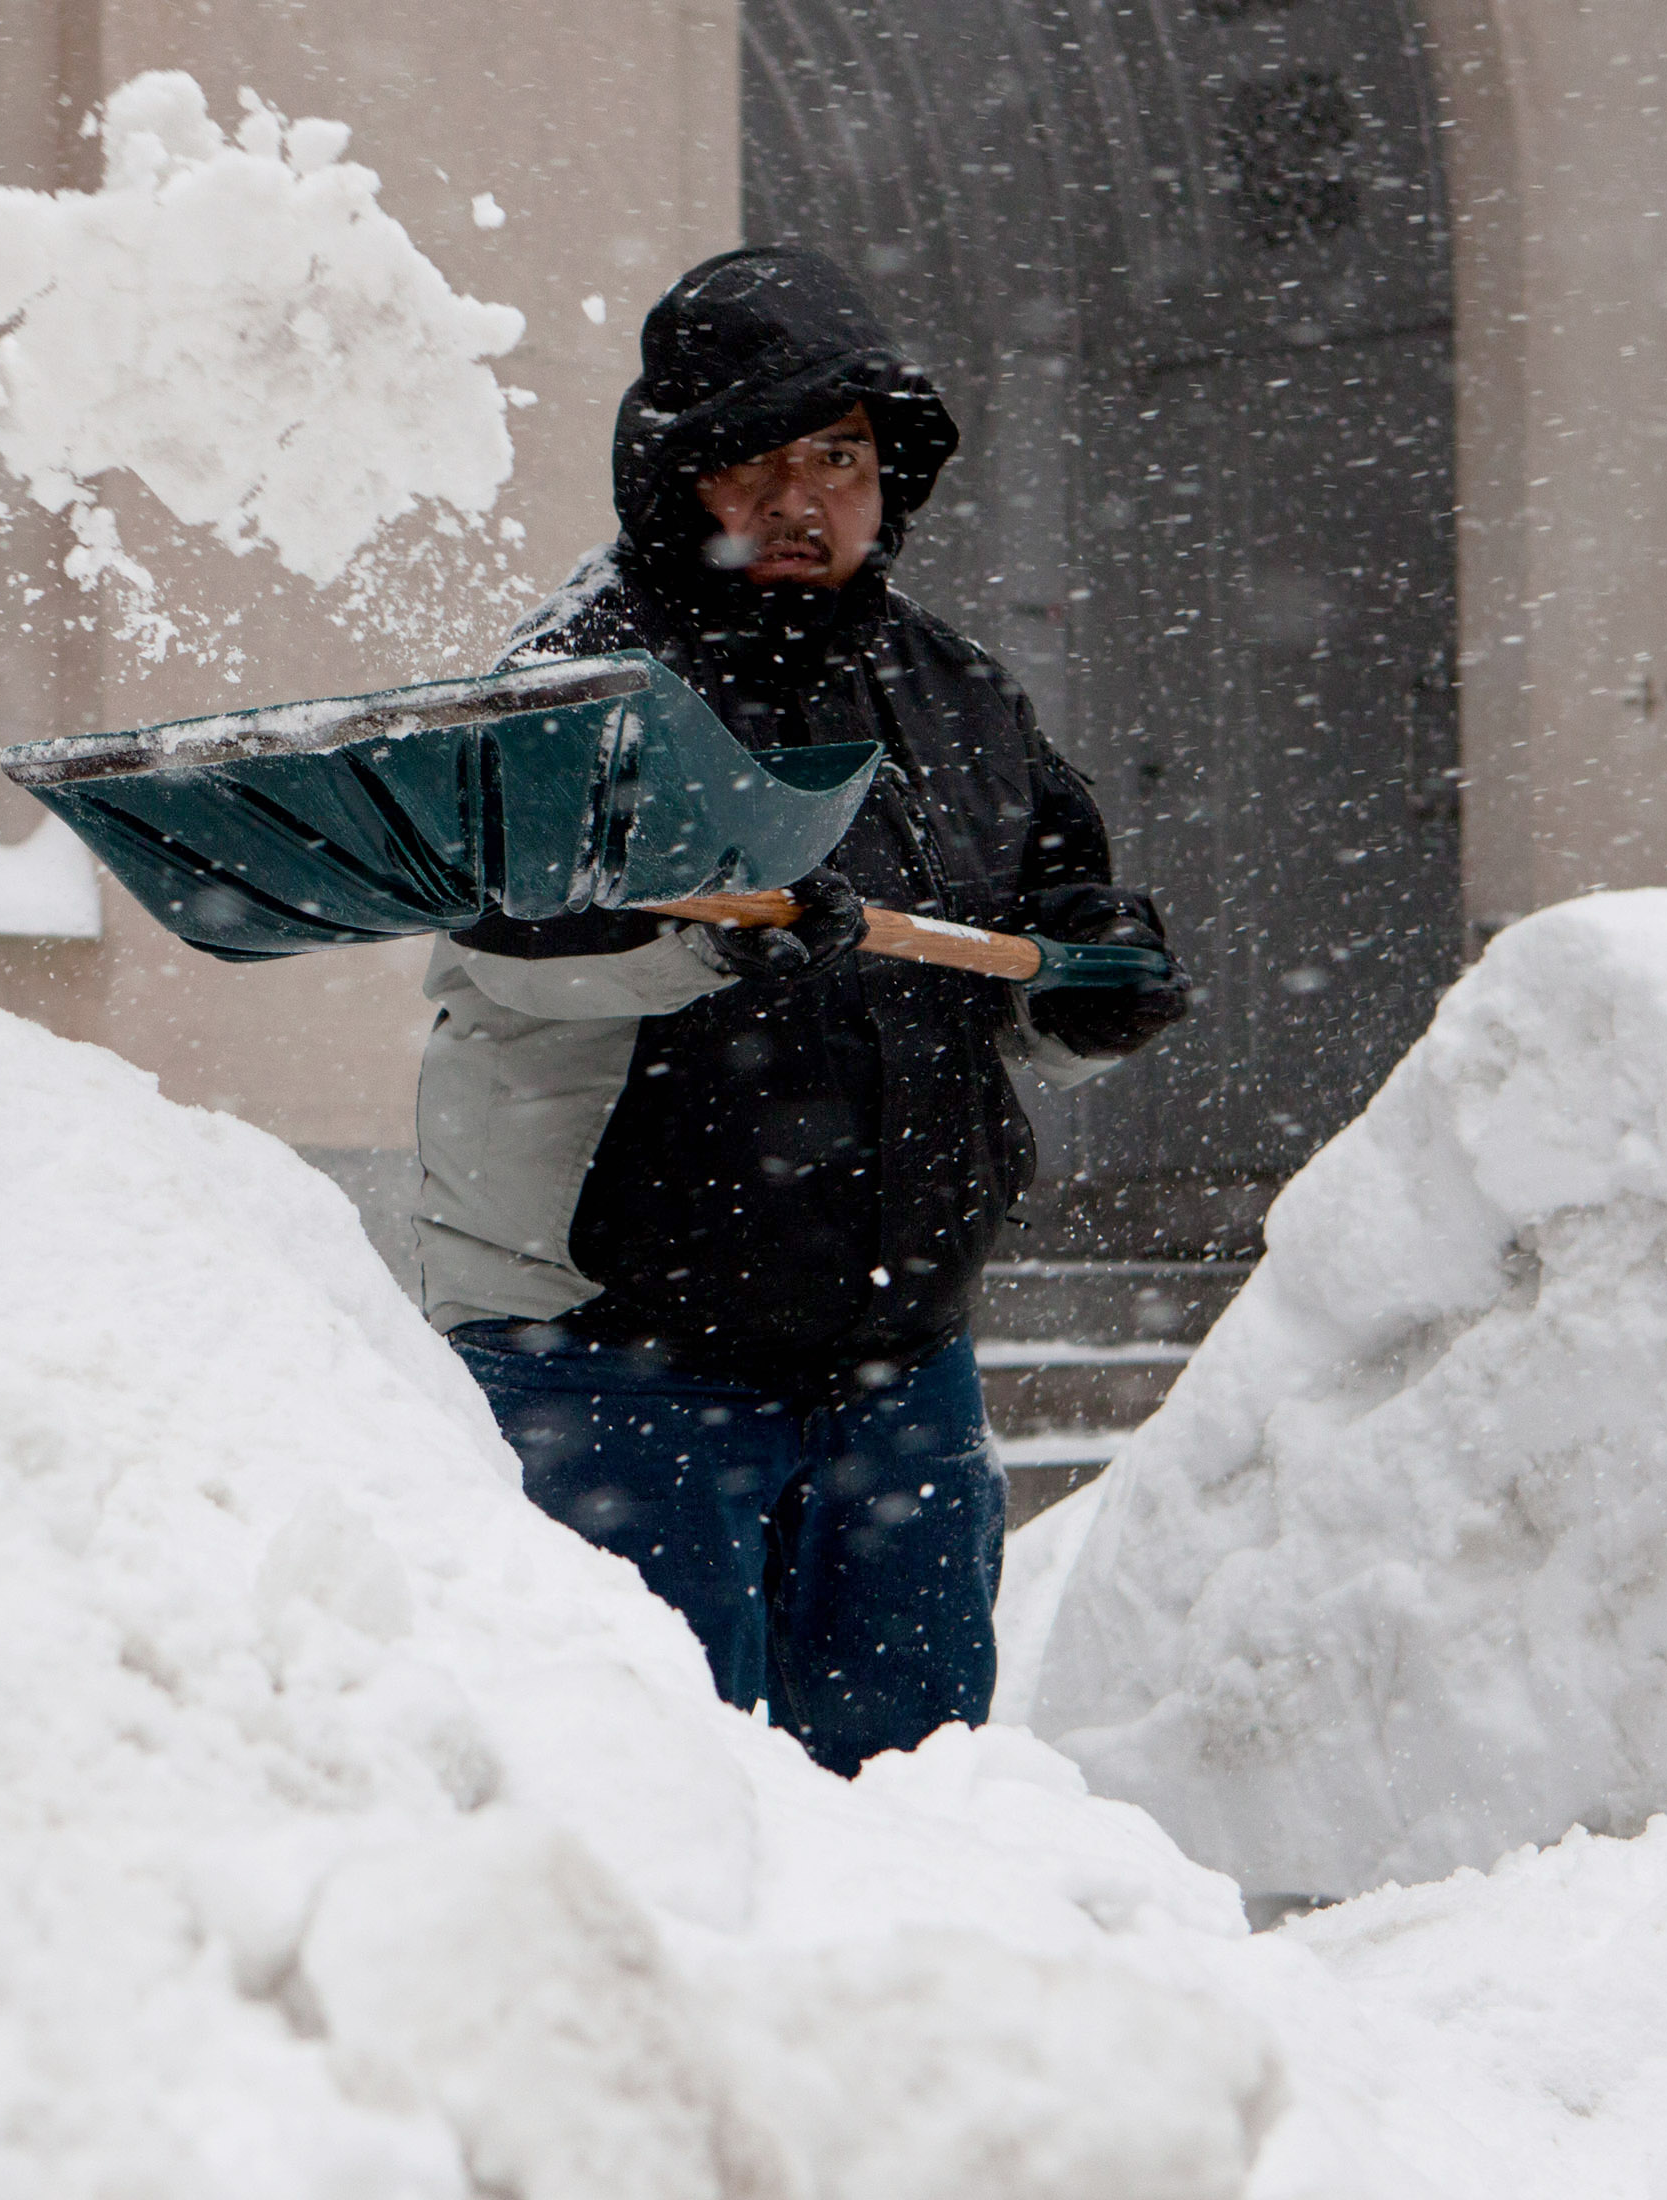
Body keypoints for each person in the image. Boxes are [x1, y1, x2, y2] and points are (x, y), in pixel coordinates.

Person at [411, 246, 1191, 1774]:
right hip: (608, 1361)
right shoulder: (573, 688)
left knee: (916, 1813)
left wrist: (1092, 982)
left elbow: (1019, 946)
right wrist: (721, 945)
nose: (798, 498)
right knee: (641, 1818)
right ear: (674, 478)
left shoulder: (959, 700)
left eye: (836, 455)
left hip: (897, 1367)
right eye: (751, 459)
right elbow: (506, 942)